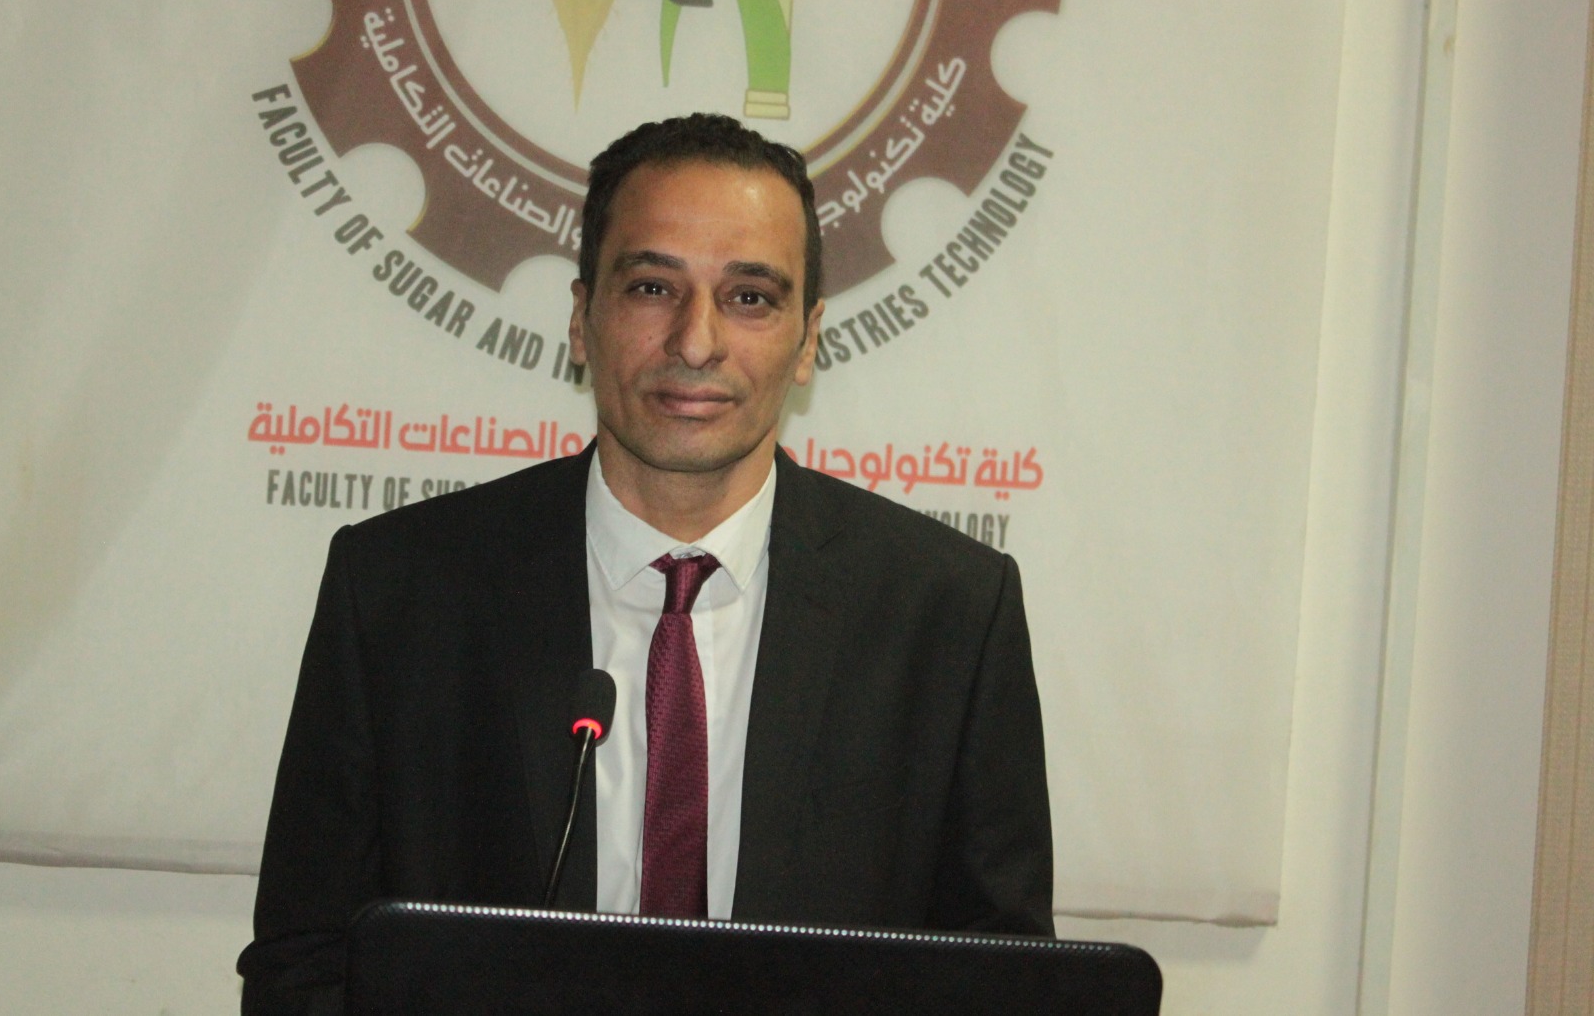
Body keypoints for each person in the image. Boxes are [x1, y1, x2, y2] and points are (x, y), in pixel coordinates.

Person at [237, 113, 1052, 1013]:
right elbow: (305, 965)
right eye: (653, 288)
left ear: (809, 338)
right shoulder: (398, 591)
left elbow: (1004, 984)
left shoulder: (949, 613)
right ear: (582, 320)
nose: (696, 342)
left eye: (750, 297)